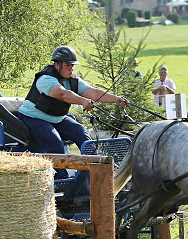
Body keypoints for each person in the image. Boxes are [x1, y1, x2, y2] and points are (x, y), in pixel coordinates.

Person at [17, 46, 128, 179]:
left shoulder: (73, 81)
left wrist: (116, 99)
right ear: (57, 64)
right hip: (33, 119)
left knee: (80, 131)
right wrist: (82, 101)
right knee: (55, 142)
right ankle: (61, 180)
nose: (71, 69)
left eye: (73, 66)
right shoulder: (45, 79)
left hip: (57, 119)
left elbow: (93, 92)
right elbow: (63, 94)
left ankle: (96, 170)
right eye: (68, 65)